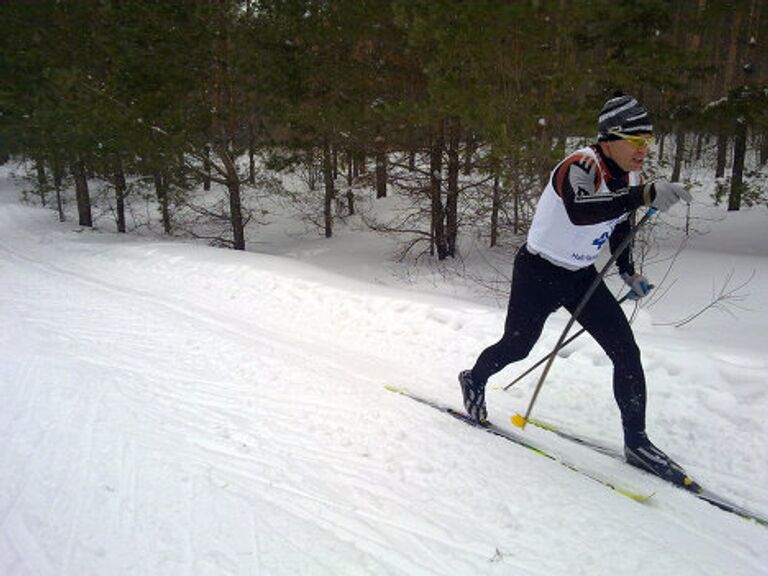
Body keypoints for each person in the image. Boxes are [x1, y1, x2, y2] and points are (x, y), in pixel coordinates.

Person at [458, 93, 693, 484]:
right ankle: (474, 378)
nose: (643, 149)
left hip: (582, 275)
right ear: (609, 139)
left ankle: (637, 441)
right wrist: (645, 195)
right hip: (538, 272)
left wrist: (628, 272)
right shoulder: (579, 165)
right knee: (517, 347)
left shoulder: (631, 177)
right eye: (635, 140)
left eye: (647, 141)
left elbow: (618, 223)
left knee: (626, 351)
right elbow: (583, 210)